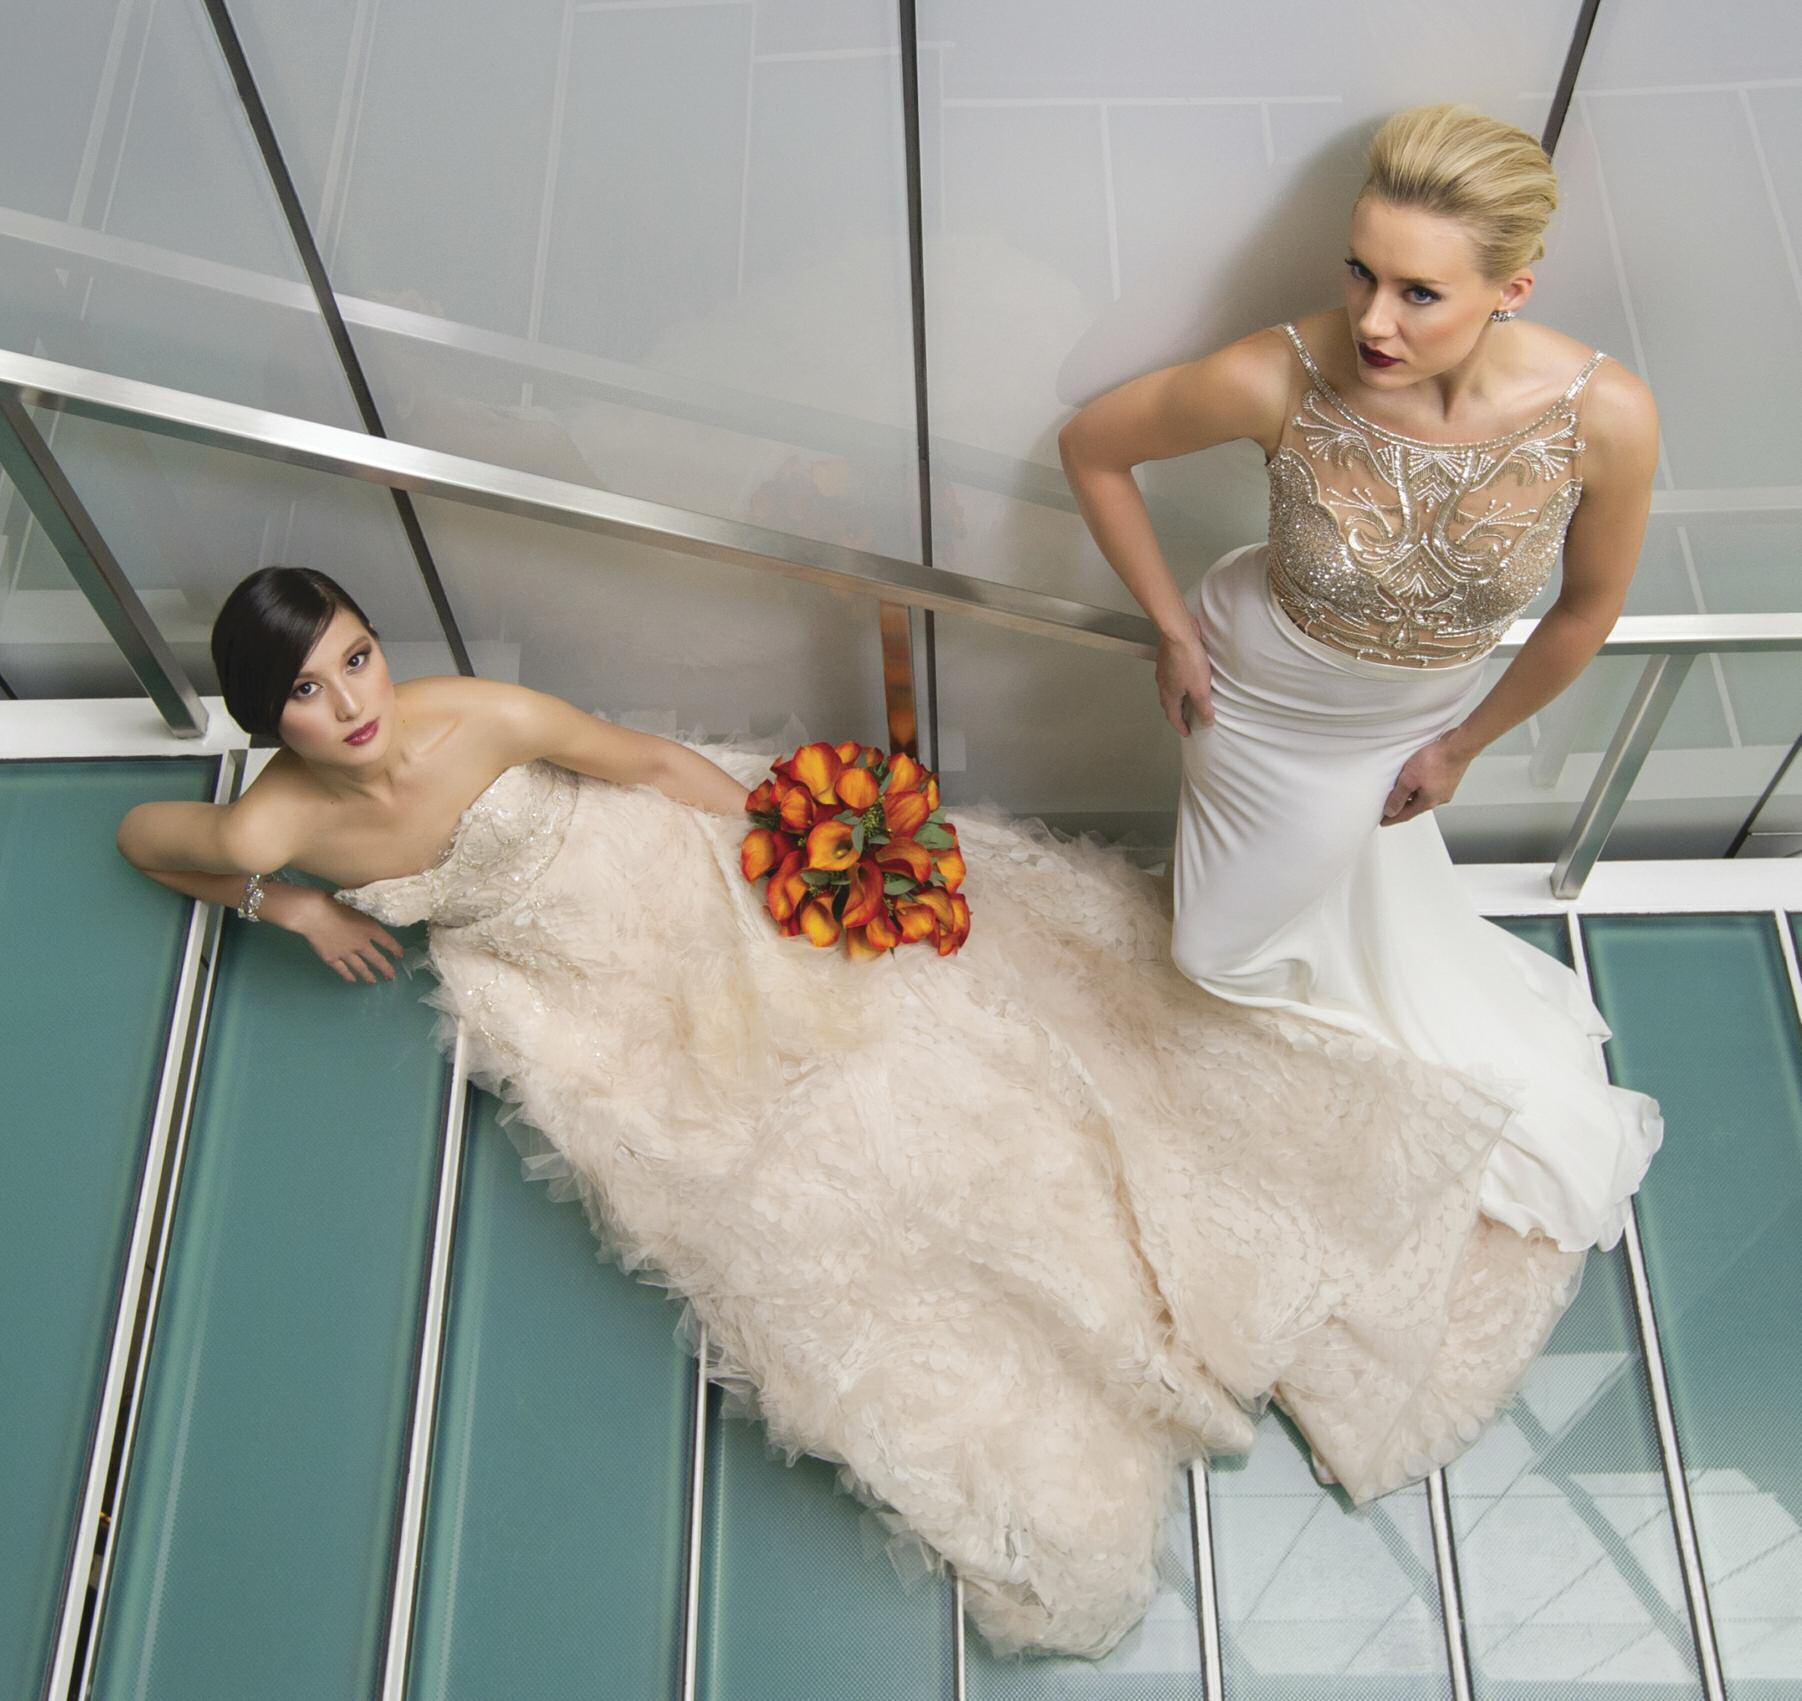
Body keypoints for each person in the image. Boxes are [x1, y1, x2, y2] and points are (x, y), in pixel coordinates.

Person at [115, 584, 1590, 1646]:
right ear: (268, 716)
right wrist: (288, 906)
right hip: (564, 998)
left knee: (935, 1054)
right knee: (771, 1197)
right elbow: (147, 835)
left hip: (667, 876)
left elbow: (643, 766)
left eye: (357, 656)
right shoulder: (274, 818)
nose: (353, 703)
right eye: (307, 691)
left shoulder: (479, 715)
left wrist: (767, 857)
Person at [1058, 104, 1662, 1257]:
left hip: (1415, 714)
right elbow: (1092, 448)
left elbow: (1584, 611)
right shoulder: (1278, 374)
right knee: (1210, 954)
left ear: (1510, 290)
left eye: (1417, 293)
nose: (1372, 321)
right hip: (1256, 696)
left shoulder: (1606, 418)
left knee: (1352, 873)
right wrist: (1171, 630)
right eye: (1359, 273)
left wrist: (1461, 745)